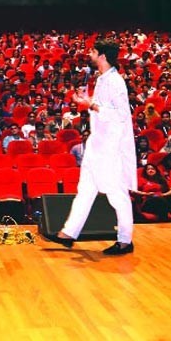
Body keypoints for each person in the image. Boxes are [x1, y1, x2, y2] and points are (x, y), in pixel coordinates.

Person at [56, 39, 137, 255]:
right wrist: (88, 100)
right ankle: (68, 233)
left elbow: (120, 115)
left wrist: (90, 104)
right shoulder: (102, 79)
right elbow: (102, 108)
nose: (89, 54)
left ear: (102, 56)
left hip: (111, 146)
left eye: (92, 51)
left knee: (116, 193)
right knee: (86, 189)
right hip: (97, 142)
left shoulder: (116, 81)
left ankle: (125, 240)